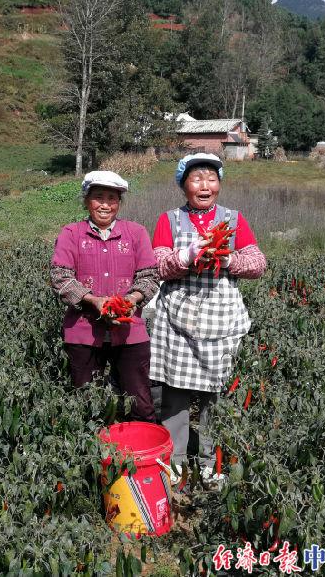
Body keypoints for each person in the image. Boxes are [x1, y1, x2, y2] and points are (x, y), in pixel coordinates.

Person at [149, 153, 266, 485]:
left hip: (220, 317)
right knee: (176, 394)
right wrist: (188, 255)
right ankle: (174, 461)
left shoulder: (233, 219)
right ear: (183, 184)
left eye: (211, 179)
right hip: (179, 318)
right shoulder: (168, 220)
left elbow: (258, 263)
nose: (205, 185)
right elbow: (158, 265)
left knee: (214, 395)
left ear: (220, 184)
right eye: (197, 179)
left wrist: (227, 258)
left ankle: (208, 462)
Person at [50, 170, 159, 423]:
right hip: (83, 332)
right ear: (87, 201)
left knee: (140, 399)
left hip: (131, 333)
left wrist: (130, 300)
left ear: (119, 203)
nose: (105, 204)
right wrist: (94, 300)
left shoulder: (136, 233)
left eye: (112, 198)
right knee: (87, 399)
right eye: (99, 197)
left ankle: (141, 451)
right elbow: (60, 277)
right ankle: (93, 452)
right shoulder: (72, 233)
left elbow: (150, 275)